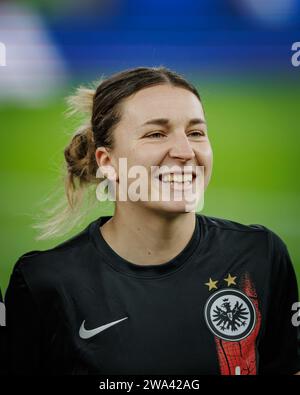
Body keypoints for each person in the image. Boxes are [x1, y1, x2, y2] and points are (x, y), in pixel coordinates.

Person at [4, 66, 300, 375]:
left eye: (196, 132)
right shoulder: (45, 282)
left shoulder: (260, 255)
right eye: (156, 134)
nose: (186, 151)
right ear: (108, 162)